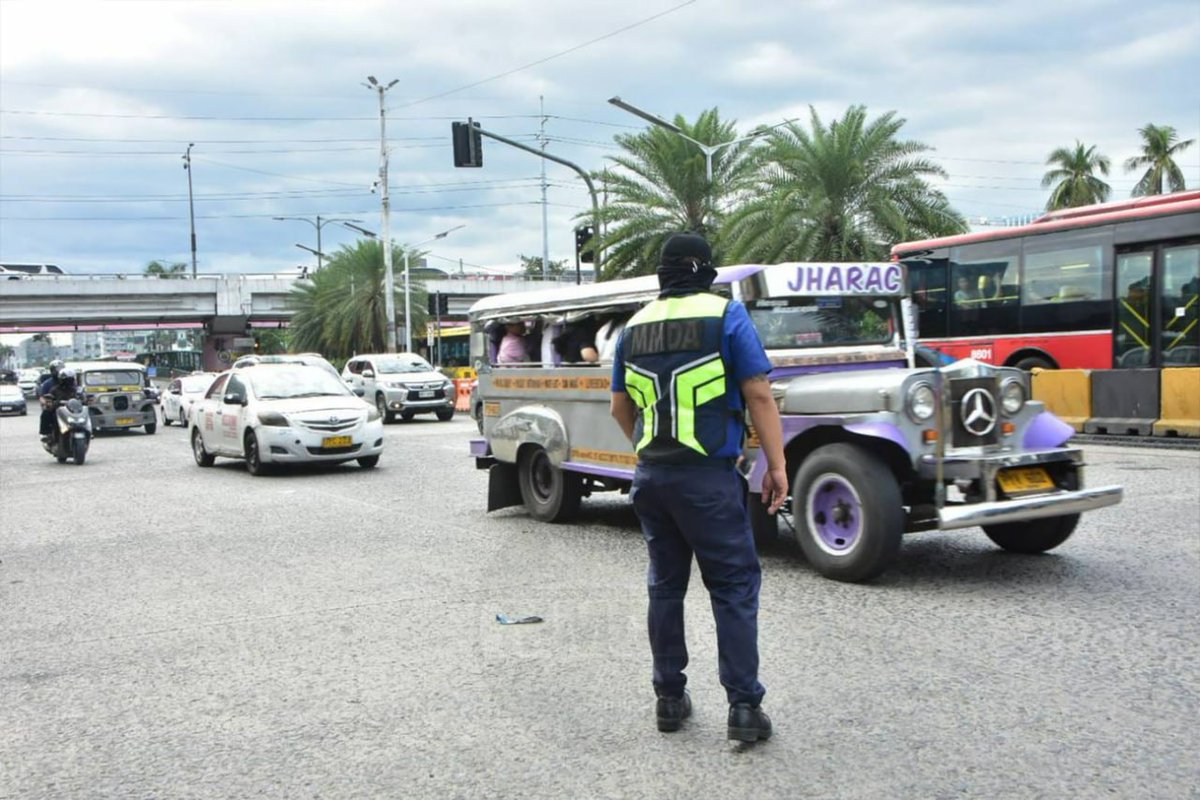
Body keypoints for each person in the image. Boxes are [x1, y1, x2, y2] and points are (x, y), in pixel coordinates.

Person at [609, 232, 788, 743]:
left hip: (652, 476)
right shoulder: (726, 314)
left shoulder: (633, 326)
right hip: (707, 477)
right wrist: (777, 465)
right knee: (732, 587)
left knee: (665, 586)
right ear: (704, 269)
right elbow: (758, 393)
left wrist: (649, 449)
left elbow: (619, 407)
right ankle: (744, 707)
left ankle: (669, 698)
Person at [40, 367, 80, 444]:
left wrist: (85, 400)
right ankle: (46, 434)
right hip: (59, 411)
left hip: (73, 411)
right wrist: (50, 402)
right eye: (66, 380)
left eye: (70, 380)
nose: (68, 382)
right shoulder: (55, 389)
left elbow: (82, 397)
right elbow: (48, 399)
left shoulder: (76, 390)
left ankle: (87, 429)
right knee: (46, 413)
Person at [37, 359, 66, 441]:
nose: (59, 371)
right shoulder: (47, 384)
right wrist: (46, 403)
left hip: (68, 407)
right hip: (54, 407)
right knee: (46, 414)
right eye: (57, 369)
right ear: (52, 371)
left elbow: (76, 391)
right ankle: (45, 433)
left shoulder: (69, 381)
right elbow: (42, 397)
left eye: (61, 368)